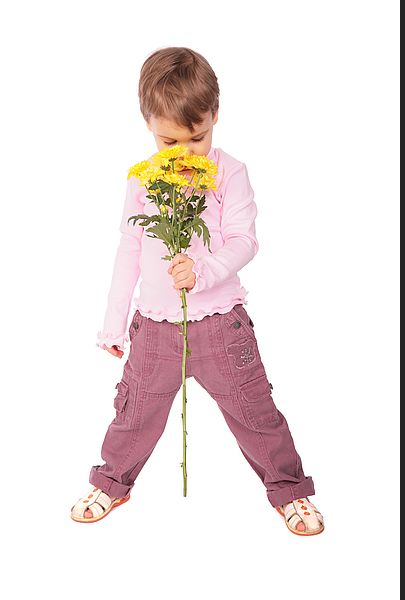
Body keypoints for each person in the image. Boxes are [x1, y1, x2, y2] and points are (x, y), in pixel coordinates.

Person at [70, 46, 324, 536]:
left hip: (218, 326)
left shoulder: (230, 172)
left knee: (254, 410)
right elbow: (129, 249)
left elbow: (243, 240)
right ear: (147, 124)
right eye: (169, 141)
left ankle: (290, 490)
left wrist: (202, 272)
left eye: (198, 138)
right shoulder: (143, 180)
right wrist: (113, 321)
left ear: (215, 116)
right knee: (135, 410)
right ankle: (111, 482)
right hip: (156, 327)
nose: (185, 154)